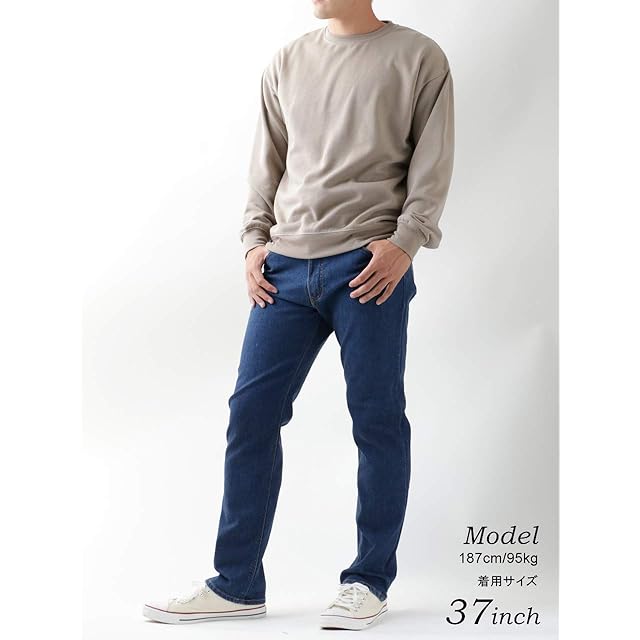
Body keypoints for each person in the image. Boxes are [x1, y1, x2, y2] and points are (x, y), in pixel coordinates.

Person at [143, 0, 454, 631]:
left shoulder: (418, 56)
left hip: (368, 267)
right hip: (284, 268)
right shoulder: (286, 61)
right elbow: (268, 160)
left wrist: (405, 243)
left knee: (376, 419)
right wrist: (253, 242)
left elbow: (433, 159)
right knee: (250, 414)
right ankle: (236, 583)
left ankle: (368, 581)